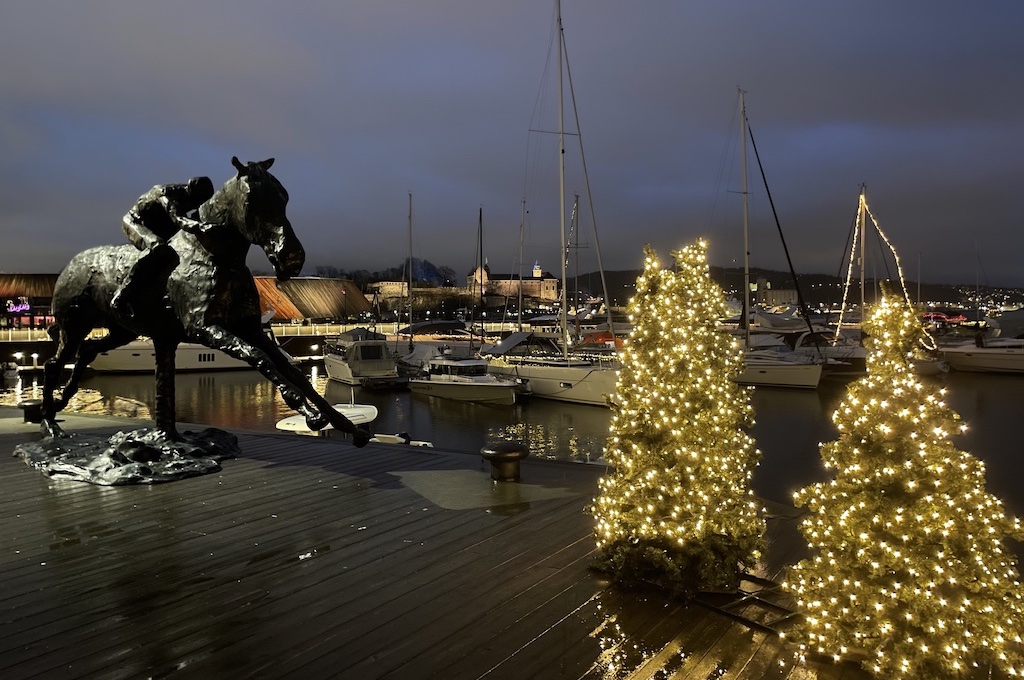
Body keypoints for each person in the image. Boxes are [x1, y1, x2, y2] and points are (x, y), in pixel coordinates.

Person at [111, 176, 215, 319]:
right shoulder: (167, 193)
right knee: (158, 247)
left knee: (182, 250)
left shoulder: (193, 198)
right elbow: (178, 218)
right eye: (197, 201)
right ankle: (121, 296)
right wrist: (200, 226)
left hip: (162, 224)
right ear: (191, 191)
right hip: (137, 222)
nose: (196, 205)